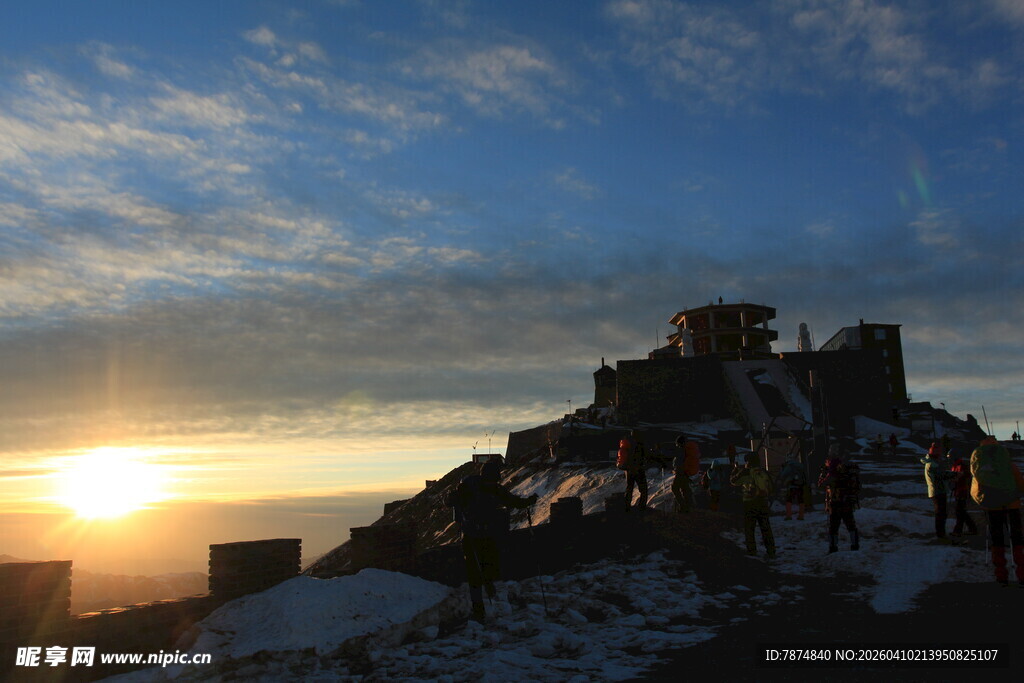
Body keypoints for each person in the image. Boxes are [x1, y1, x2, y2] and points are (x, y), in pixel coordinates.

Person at [446, 459, 538, 620]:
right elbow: (514, 501)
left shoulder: (483, 488)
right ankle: (480, 607)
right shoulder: (483, 488)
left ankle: (484, 605)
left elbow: (513, 501)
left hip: (477, 535)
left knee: (480, 570)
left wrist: (528, 502)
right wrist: (528, 502)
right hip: (479, 535)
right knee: (479, 570)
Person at [970, 435, 1024, 586]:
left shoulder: (978, 462)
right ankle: (1021, 574)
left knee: (996, 539)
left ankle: (1001, 575)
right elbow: (1020, 483)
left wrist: (982, 501)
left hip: (991, 506)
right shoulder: (1007, 463)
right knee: (1017, 539)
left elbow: (975, 488)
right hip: (1011, 504)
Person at [730, 452, 776, 560]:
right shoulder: (763, 472)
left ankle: (752, 551)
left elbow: (733, 481)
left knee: (749, 528)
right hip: (763, 502)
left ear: (748, 462)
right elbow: (772, 487)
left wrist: (735, 470)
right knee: (766, 528)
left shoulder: (745, 472)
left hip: (749, 503)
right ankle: (771, 551)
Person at [817, 445, 860, 553]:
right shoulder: (850, 470)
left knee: (833, 526)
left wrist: (823, 473)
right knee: (850, 524)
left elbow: (821, 484)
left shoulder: (833, 471)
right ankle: (855, 545)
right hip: (848, 501)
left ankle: (833, 547)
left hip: (835, 501)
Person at [921, 443, 951, 542]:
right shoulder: (933, 464)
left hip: (938, 491)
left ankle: (941, 533)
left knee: (941, 513)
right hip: (938, 491)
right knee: (940, 513)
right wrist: (954, 475)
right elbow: (940, 476)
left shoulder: (932, 463)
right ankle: (940, 534)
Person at [947, 449, 978, 537]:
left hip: (963, 491)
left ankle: (958, 531)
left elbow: (966, 477)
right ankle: (972, 529)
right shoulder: (955, 466)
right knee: (961, 512)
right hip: (958, 491)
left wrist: (956, 479)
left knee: (960, 512)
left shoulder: (961, 466)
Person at [617, 430, 649, 512]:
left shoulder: (627, 443)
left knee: (629, 488)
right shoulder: (639, 444)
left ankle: (627, 507)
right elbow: (645, 455)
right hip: (638, 469)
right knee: (643, 490)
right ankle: (642, 507)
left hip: (628, 470)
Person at [672, 436, 700, 513]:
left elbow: (679, 462)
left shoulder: (683, 450)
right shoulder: (690, 449)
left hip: (681, 472)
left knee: (675, 488)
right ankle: (688, 507)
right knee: (685, 490)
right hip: (688, 473)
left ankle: (683, 506)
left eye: (678, 444)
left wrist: (677, 469)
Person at [778, 454, 807, 521]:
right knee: (801, 500)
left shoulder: (789, 465)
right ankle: (801, 516)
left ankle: (789, 516)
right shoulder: (800, 465)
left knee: (789, 500)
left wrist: (782, 468)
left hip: (791, 485)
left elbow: (783, 475)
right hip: (800, 485)